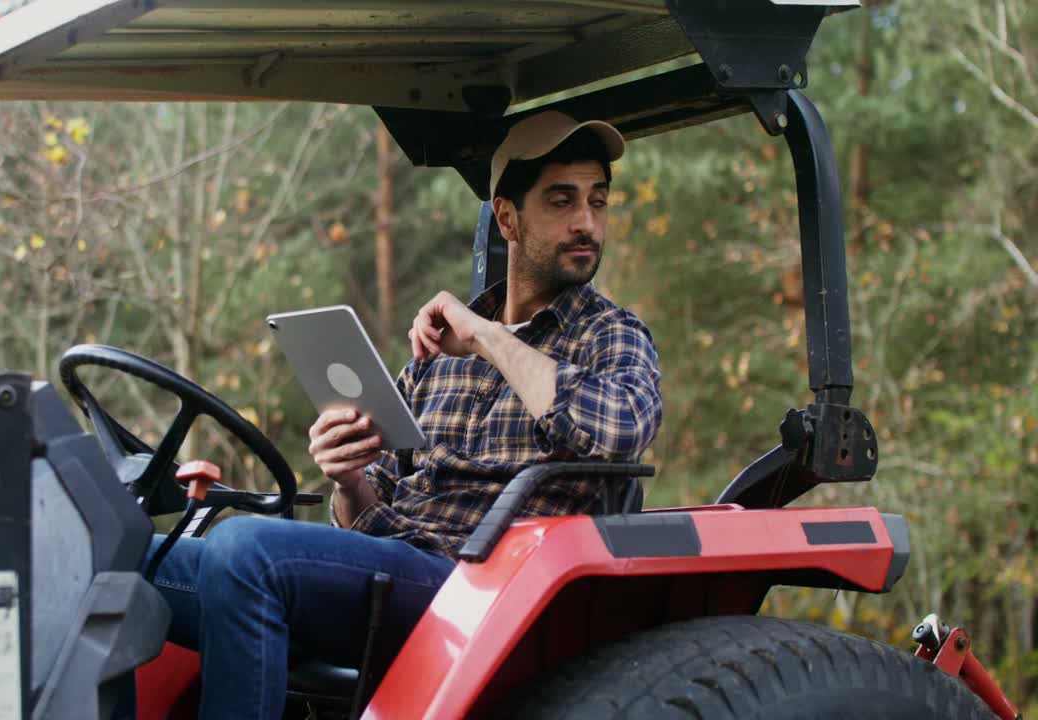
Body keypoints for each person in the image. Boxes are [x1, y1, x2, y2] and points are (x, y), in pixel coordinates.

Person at [144, 110, 663, 719]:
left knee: (243, 550)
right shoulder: (433, 361)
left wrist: (487, 336)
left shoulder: (612, 335)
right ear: (507, 217)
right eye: (561, 201)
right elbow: (371, 512)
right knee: (131, 558)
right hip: (397, 572)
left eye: (597, 202)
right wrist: (347, 478)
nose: (586, 223)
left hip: (489, 594)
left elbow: (620, 431)